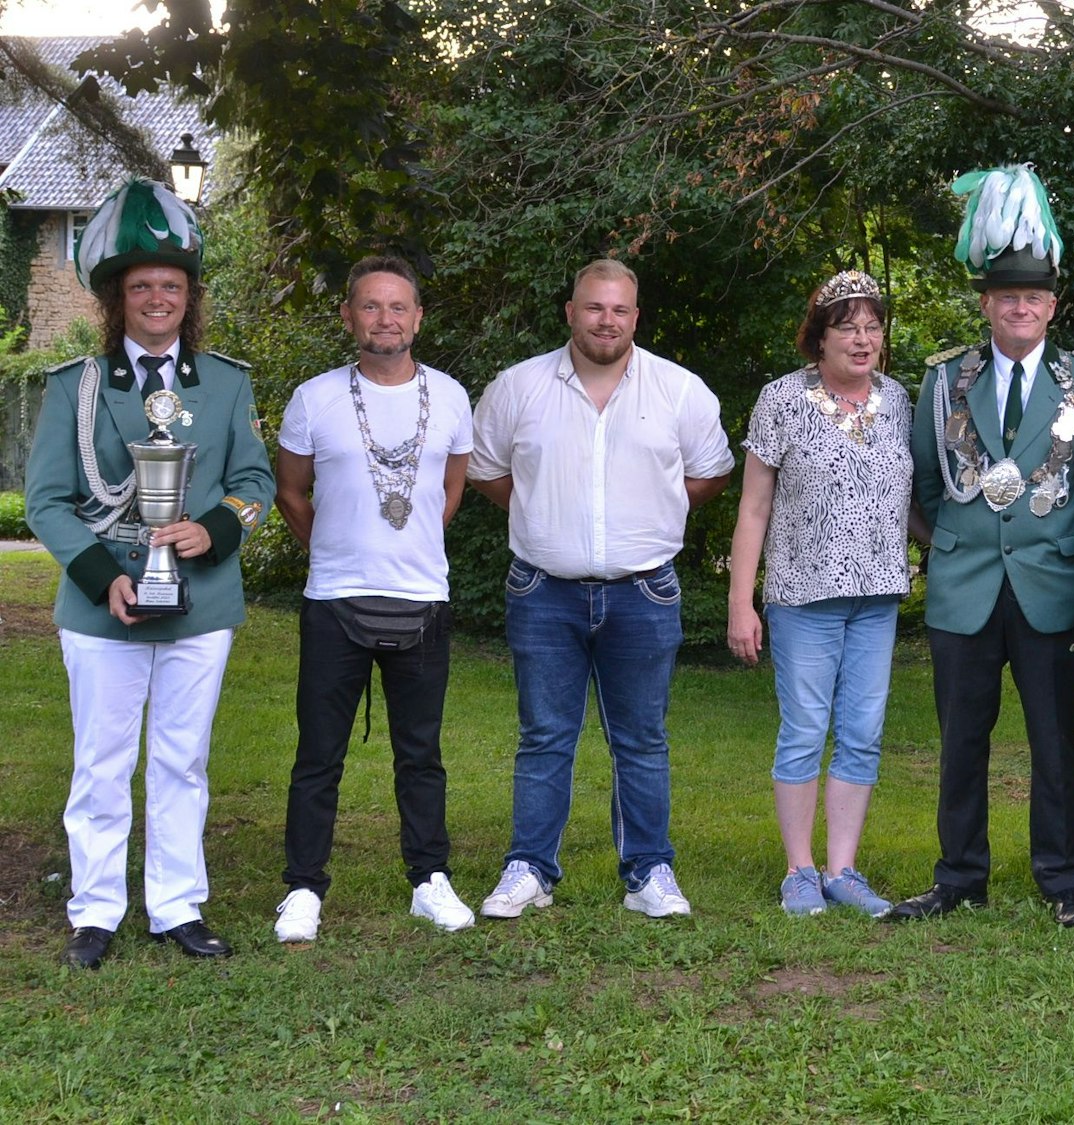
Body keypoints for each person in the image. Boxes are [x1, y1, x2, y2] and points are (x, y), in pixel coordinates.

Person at [26, 178, 274, 968]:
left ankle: (176, 906)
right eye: (142, 286)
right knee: (101, 760)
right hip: (105, 609)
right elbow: (47, 501)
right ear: (117, 297)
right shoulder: (76, 387)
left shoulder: (228, 383)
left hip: (200, 604)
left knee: (182, 758)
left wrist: (215, 528)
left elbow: (257, 483)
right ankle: (95, 911)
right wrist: (106, 577)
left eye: (171, 285)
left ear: (188, 295)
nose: (158, 298)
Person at [468, 258, 734, 921]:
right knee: (544, 735)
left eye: (619, 309)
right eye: (594, 307)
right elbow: (488, 472)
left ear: (636, 317)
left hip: (643, 593)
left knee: (641, 738)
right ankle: (529, 866)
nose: (606, 320)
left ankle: (649, 870)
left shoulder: (680, 391)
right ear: (570, 311)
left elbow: (708, 476)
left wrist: (648, 519)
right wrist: (544, 517)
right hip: (542, 590)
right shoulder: (518, 387)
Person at [889, 164, 1074, 925]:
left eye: (1034, 297)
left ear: (1053, 305)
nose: (1021, 307)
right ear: (986, 302)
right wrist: (951, 542)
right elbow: (924, 483)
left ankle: (1062, 881)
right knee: (961, 743)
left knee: (1055, 745)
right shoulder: (944, 378)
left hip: (1053, 587)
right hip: (965, 587)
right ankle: (958, 876)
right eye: (1007, 296)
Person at [270, 255, 478, 942]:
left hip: (421, 596)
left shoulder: (449, 396)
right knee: (318, 753)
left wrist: (403, 544)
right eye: (369, 305)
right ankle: (303, 888)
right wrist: (334, 549)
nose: (384, 318)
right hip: (335, 599)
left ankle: (429, 878)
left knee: (420, 751)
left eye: (397, 307)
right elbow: (291, 491)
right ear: (348, 315)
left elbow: (450, 491)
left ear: (418, 318)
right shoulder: (315, 398)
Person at [727, 269, 912, 918]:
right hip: (802, 595)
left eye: (872, 325)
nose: (862, 339)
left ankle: (843, 869)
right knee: (805, 728)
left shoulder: (899, 400)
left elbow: (909, 499)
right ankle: (799, 869)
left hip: (879, 595)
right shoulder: (781, 399)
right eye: (846, 326)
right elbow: (753, 508)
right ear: (819, 337)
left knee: (862, 732)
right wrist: (739, 601)